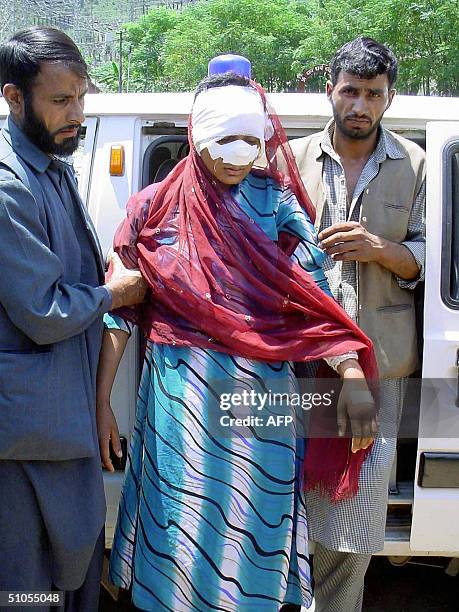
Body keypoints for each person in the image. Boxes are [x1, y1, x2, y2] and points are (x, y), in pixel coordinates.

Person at [96, 69, 379, 612]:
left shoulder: (275, 204)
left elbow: (316, 297)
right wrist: (101, 399)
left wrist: (349, 375)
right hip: (180, 406)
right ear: (197, 135)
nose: (240, 157)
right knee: (180, 522)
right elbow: (120, 312)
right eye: (225, 142)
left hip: (260, 400)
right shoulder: (152, 207)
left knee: (254, 525)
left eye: (253, 142)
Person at [0, 26, 146, 611]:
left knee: (75, 572)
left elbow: (74, 275)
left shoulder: (51, 166)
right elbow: (43, 310)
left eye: (81, 98)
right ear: (13, 98)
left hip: (63, 427)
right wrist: (117, 294)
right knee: (27, 589)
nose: (76, 114)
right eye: (61, 100)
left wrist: (97, 402)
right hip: (28, 442)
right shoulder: (10, 185)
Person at [291, 37, 425, 611]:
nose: (360, 105)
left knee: (356, 519)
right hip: (300, 368)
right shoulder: (290, 160)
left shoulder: (414, 164)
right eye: (351, 91)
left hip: (379, 372)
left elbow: (424, 258)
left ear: (389, 98)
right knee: (292, 499)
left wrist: (378, 248)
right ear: (331, 91)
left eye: (373, 94)